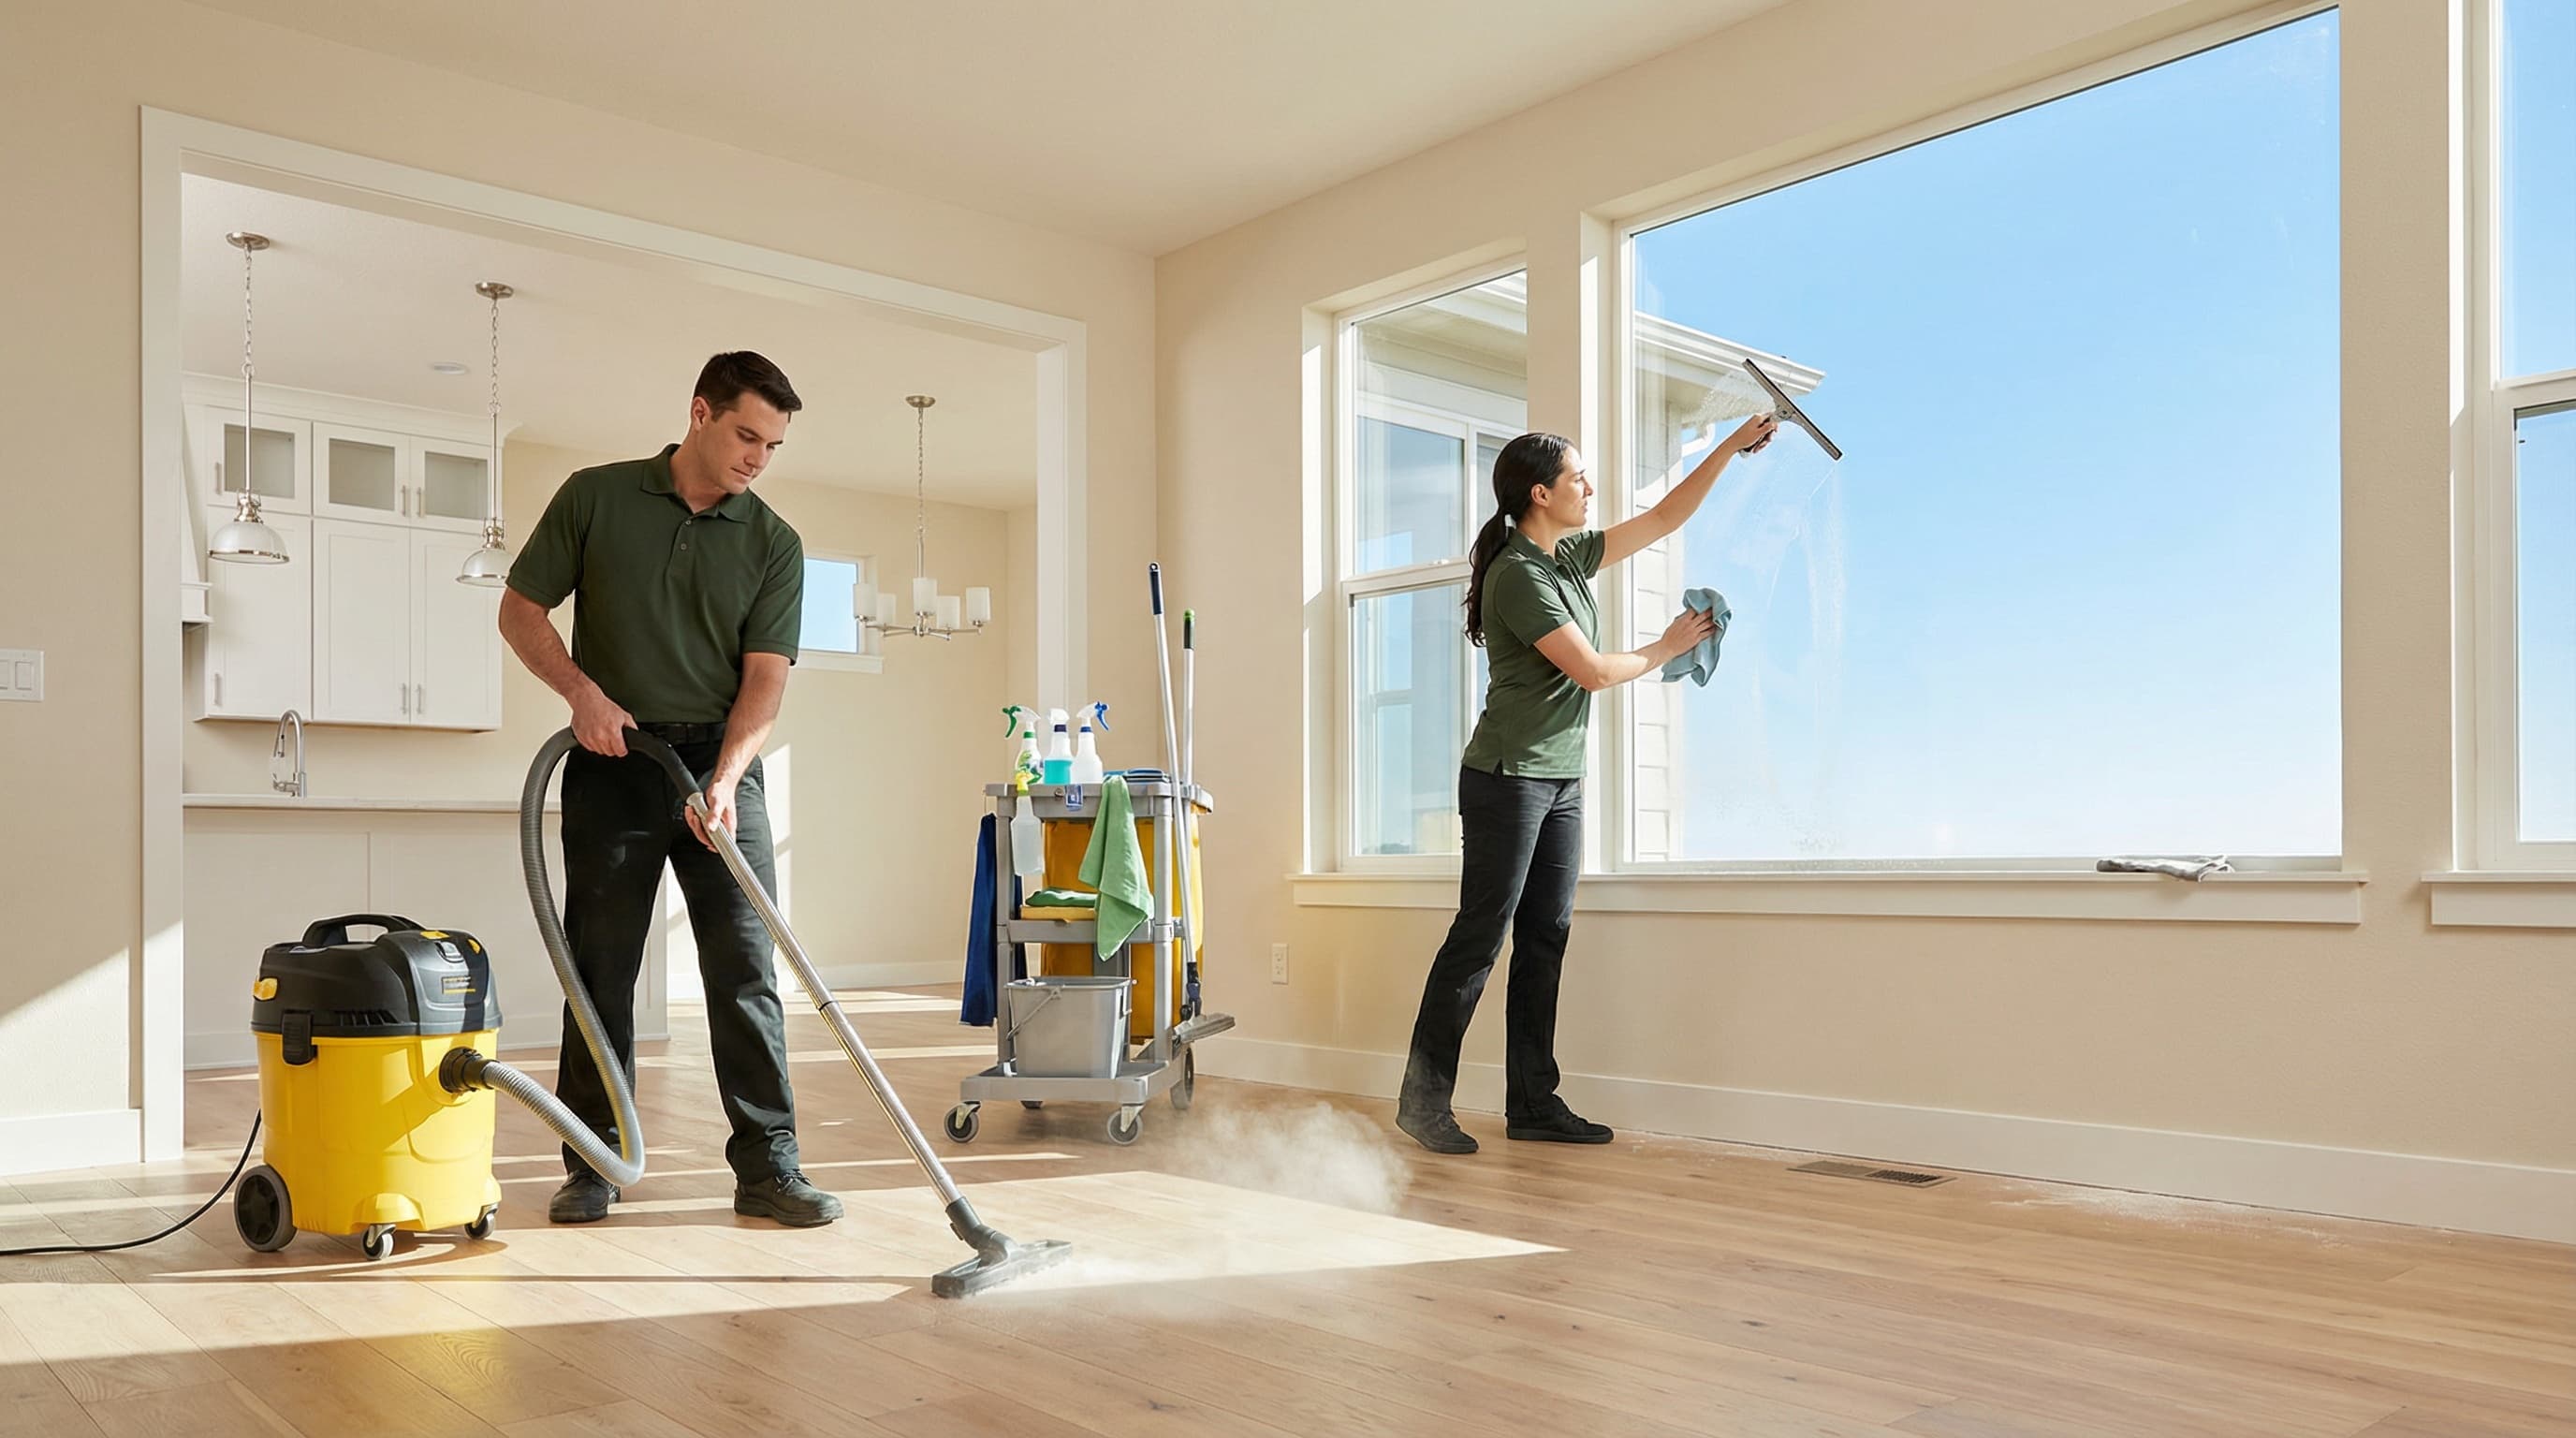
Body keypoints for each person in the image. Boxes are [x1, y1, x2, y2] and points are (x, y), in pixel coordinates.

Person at [498, 351, 842, 1226]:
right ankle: (594, 1163)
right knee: (599, 969)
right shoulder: (597, 497)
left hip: (719, 772)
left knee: (744, 967)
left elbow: (765, 678)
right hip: (614, 758)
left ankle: (769, 1168)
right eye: (747, 435)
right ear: (700, 413)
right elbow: (520, 610)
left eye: (773, 445)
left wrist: (726, 779)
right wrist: (582, 695)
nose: (758, 458)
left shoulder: (773, 542)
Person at [1396, 413, 1778, 1154]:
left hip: (1559, 780)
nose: (1590, 488)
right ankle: (1423, 1101)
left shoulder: (1567, 557)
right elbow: (1594, 672)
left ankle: (1533, 1104)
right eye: (1578, 478)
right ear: (1541, 494)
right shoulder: (1518, 575)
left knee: (1546, 938)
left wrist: (1732, 446)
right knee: (1480, 939)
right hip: (1507, 778)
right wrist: (1665, 646)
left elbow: (1663, 518)